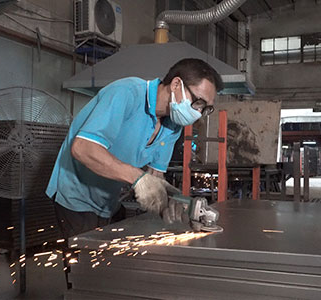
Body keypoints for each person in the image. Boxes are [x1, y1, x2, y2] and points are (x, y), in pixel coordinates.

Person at [46, 58, 223, 239]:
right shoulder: (126, 93)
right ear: (176, 84)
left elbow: (155, 176)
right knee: (85, 263)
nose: (199, 113)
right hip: (77, 197)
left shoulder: (173, 125)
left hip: (109, 201)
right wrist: (138, 178)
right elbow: (83, 148)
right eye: (198, 103)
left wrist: (175, 203)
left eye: (205, 109)